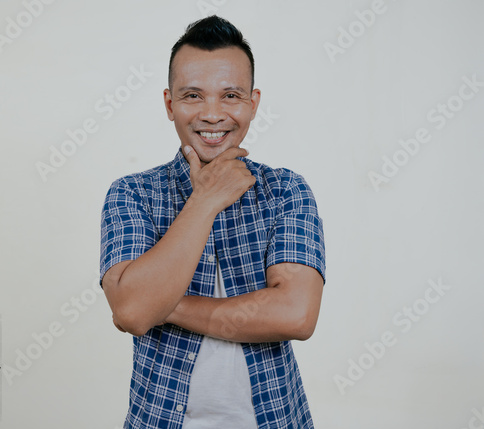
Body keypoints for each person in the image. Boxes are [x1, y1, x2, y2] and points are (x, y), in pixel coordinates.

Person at [99, 15, 326, 429]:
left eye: (231, 96)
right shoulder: (131, 194)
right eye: (192, 96)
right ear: (169, 104)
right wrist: (205, 200)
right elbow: (133, 313)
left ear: (253, 103)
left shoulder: (286, 191)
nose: (212, 114)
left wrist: (162, 304)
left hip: (274, 419)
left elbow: (295, 315)